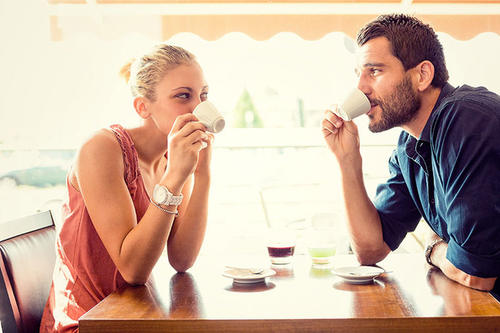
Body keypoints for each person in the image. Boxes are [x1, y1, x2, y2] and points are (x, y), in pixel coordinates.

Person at [321, 14, 500, 299]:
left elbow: (475, 273)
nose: (360, 88)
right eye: (358, 73)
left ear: (422, 75)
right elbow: (370, 250)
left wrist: (432, 249)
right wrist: (348, 162)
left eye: (374, 71)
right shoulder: (410, 144)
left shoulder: (467, 120)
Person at [40, 44, 214, 332]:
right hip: (86, 323)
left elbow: (182, 259)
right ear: (142, 107)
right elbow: (133, 270)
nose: (199, 108)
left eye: (203, 95)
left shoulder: (172, 160)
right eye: (183, 96)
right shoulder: (102, 148)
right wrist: (175, 178)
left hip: (136, 317)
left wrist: (203, 172)